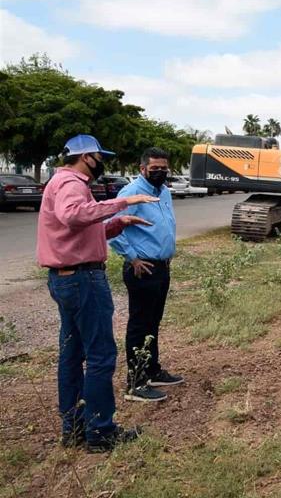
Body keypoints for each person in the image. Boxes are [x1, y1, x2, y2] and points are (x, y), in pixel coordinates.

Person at [37, 134, 158, 452]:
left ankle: (75, 429)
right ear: (87, 156)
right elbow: (73, 216)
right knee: (101, 356)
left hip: (68, 278)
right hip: (83, 280)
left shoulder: (62, 182)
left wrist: (116, 224)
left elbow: (75, 230)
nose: (103, 163)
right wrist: (124, 202)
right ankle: (101, 431)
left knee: (73, 356)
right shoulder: (72, 183)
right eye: (100, 157)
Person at [110, 147, 182, 402]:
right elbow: (112, 228)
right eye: (155, 169)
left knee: (153, 322)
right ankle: (136, 382)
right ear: (142, 169)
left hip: (161, 267)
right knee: (140, 324)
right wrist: (132, 257)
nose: (160, 173)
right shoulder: (131, 194)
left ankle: (152, 370)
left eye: (164, 168)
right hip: (143, 268)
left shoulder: (163, 192)